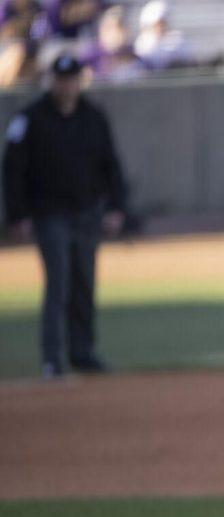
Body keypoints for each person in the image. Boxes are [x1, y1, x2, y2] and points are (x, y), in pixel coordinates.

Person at [3, 53, 126, 378]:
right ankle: (52, 358)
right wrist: (17, 213)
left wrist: (116, 205)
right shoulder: (31, 119)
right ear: (52, 80)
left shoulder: (93, 117)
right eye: (61, 78)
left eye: (72, 78)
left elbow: (111, 164)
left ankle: (82, 352)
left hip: (87, 211)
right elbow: (12, 169)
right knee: (58, 283)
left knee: (83, 283)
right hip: (49, 213)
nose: (67, 85)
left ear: (79, 81)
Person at [133, 1, 192, 71]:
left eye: (161, 23)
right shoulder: (142, 41)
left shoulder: (178, 39)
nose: (159, 27)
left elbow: (184, 62)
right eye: (156, 24)